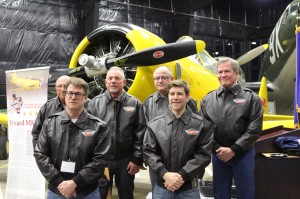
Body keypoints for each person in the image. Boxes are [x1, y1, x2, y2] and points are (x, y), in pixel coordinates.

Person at [34, 77, 111, 199]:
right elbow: (40, 154)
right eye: (70, 93)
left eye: (78, 94)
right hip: (57, 190)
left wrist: (75, 182)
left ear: (85, 98)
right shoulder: (50, 123)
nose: (73, 97)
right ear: (65, 95)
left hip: (87, 192)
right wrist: (60, 182)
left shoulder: (100, 127)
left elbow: (100, 160)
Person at [200, 58, 263, 199]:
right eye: (220, 72)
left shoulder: (252, 98)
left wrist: (234, 149)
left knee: (246, 194)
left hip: (243, 154)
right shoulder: (207, 100)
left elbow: (255, 129)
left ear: (236, 74)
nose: (222, 75)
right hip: (219, 155)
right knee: (220, 194)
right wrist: (219, 149)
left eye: (226, 71)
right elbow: (204, 129)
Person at [143, 80, 214, 199]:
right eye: (172, 94)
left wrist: (181, 176)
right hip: (162, 188)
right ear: (168, 97)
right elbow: (148, 152)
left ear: (187, 97)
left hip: (189, 188)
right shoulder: (154, 125)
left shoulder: (202, 125)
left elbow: (203, 156)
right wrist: (165, 174)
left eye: (179, 94)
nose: (175, 97)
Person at [87, 66, 146, 199]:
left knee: (126, 194)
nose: (113, 81)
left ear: (124, 82)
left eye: (117, 78)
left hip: (126, 161)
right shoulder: (94, 104)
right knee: (100, 194)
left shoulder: (135, 103)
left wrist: (137, 159)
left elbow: (141, 133)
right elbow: (88, 133)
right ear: (106, 82)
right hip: (101, 161)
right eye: (110, 78)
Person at [143, 66, 198, 191]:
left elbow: (196, 128)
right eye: (157, 78)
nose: (160, 81)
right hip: (158, 163)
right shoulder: (148, 102)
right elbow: (145, 132)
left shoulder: (189, 102)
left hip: (184, 162)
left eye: (164, 77)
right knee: (159, 191)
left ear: (171, 78)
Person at [32, 75, 71, 148]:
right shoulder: (47, 107)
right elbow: (36, 133)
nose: (63, 89)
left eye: (66, 86)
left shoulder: (84, 105)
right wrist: (39, 154)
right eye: (60, 86)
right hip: (52, 157)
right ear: (56, 88)